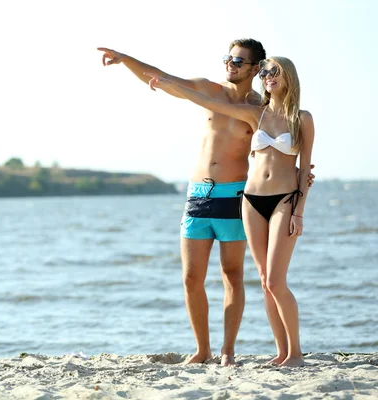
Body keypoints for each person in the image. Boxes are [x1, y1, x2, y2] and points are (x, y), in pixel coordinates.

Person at [98, 40, 314, 366]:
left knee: (236, 275)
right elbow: (163, 78)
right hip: (200, 193)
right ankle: (205, 350)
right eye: (228, 58)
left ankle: (232, 350)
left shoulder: (264, 109)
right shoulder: (214, 94)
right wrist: (125, 59)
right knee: (192, 277)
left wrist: (300, 180)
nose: (231, 64)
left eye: (240, 61)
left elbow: (281, 154)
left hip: (237, 195)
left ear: (254, 69)